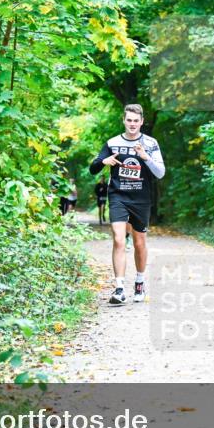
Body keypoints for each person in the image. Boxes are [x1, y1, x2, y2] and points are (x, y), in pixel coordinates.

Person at [89, 104, 165, 305]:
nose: (132, 124)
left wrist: (145, 157)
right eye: (129, 120)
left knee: (139, 242)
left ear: (141, 122)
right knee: (119, 239)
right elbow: (93, 168)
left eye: (136, 121)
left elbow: (160, 173)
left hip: (141, 198)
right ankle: (119, 288)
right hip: (118, 196)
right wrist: (103, 162)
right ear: (124, 120)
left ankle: (139, 282)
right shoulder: (113, 143)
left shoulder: (150, 143)